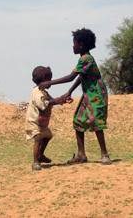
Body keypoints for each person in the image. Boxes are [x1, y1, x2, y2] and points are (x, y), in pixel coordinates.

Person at [38, 28, 111, 165]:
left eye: (74, 43)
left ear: (81, 45)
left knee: (96, 123)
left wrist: (49, 82)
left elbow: (71, 77)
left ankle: (105, 154)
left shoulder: (86, 58)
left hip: (95, 95)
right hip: (88, 94)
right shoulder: (84, 59)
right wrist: (69, 92)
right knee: (78, 121)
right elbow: (80, 77)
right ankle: (81, 155)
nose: (73, 46)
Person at [26, 66, 70, 171]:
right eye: (49, 80)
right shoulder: (37, 92)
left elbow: (52, 100)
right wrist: (56, 101)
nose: (51, 82)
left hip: (42, 123)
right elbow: (43, 104)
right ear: (44, 79)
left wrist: (62, 100)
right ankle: (35, 162)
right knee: (38, 139)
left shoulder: (44, 92)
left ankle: (40, 155)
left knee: (47, 136)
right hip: (34, 121)